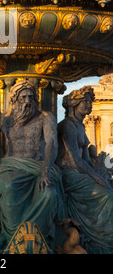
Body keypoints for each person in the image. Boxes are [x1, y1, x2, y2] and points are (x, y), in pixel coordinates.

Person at [0, 80, 65, 253]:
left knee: (50, 193)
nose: (27, 101)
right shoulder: (4, 120)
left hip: (38, 167)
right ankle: (13, 238)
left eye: (31, 97)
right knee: (8, 185)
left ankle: (39, 240)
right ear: (15, 100)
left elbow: (51, 144)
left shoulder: (45, 117)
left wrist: (45, 172)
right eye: (23, 97)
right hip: (11, 167)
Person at [56, 86, 113, 254]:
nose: (89, 105)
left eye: (90, 102)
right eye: (85, 102)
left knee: (108, 190)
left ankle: (103, 237)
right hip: (69, 173)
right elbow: (74, 160)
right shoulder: (68, 126)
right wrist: (96, 177)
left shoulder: (80, 127)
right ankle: (101, 238)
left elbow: (86, 159)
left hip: (79, 172)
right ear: (74, 104)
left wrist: (99, 173)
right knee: (106, 196)